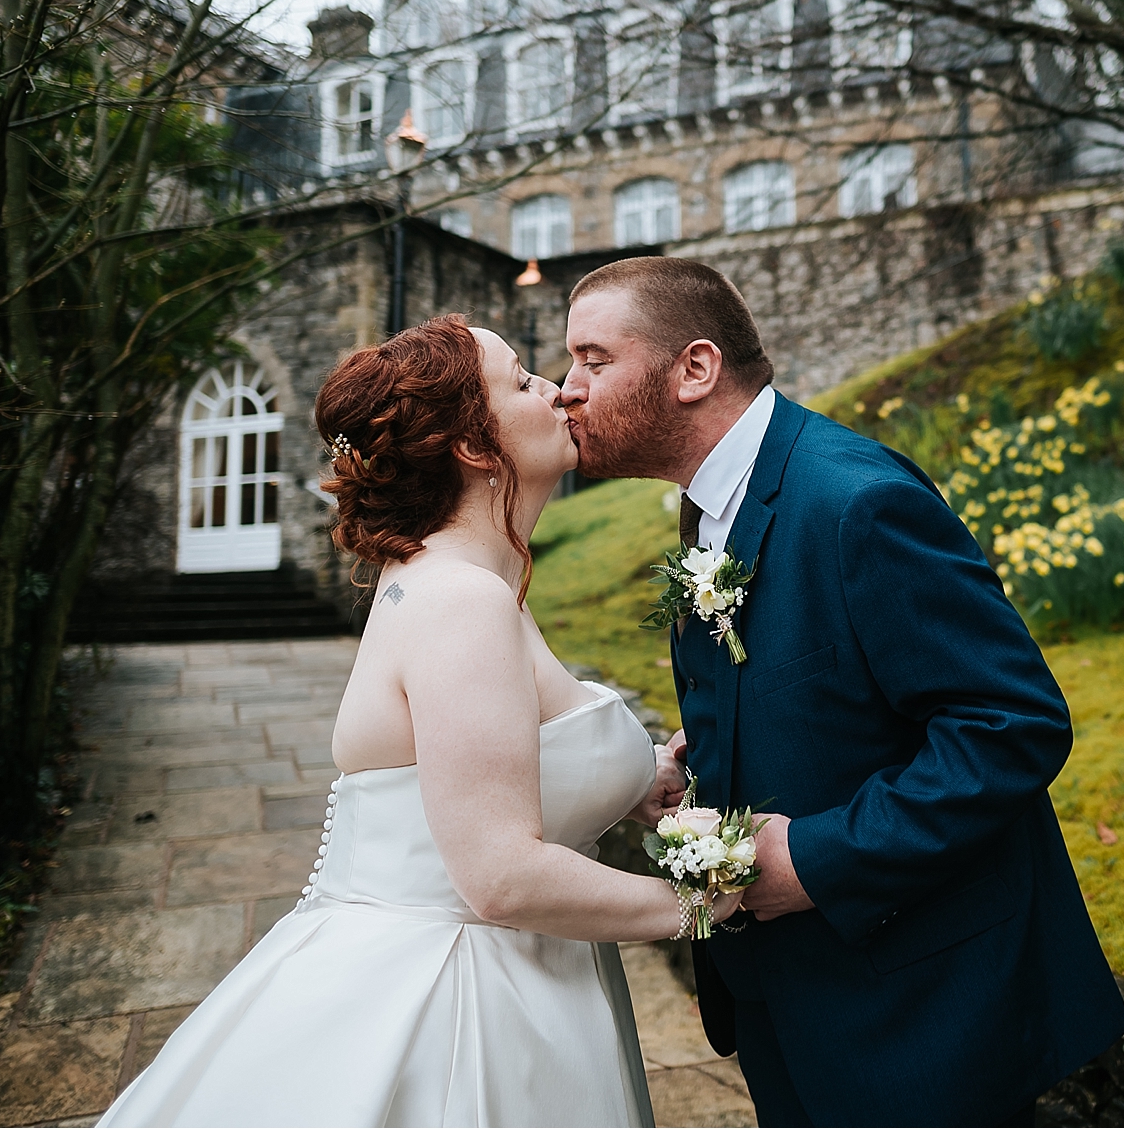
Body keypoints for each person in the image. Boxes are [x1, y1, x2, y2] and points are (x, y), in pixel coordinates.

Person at [98, 316, 726, 1128]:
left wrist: (642, 775)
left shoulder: (456, 580)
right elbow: (500, 874)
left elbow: (494, 765)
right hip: (458, 1002)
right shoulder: (460, 601)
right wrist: (710, 902)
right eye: (523, 381)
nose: (559, 388)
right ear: (473, 446)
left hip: (513, 970)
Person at [560, 258, 1124, 1127]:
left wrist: (815, 859)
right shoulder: (714, 503)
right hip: (791, 996)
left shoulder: (857, 503)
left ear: (695, 369)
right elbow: (822, 680)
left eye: (593, 360)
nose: (569, 391)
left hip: (919, 1017)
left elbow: (1008, 725)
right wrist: (709, 755)